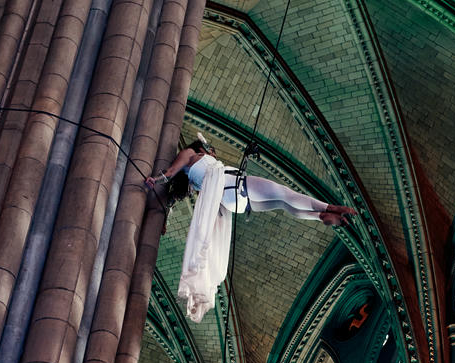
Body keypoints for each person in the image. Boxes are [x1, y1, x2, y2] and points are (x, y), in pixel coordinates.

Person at [146, 137, 356, 322]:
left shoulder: (194, 181)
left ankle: (319, 216)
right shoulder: (190, 154)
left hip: (233, 201)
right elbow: (171, 172)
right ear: (201, 148)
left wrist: (163, 219)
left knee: (283, 204)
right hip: (233, 186)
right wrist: (156, 180)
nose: (213, 153)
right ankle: (329, 208)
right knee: (284, 194)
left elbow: (171, 199)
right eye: (211, 150)